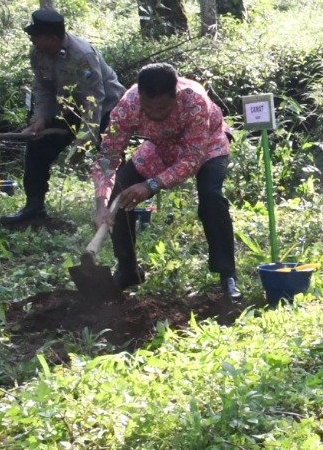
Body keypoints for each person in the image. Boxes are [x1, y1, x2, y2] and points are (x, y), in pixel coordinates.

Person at [93, 63, 239, 299]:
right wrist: (101, 203)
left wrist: (150, 185)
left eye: (162, 106)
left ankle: (227, 274)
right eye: (148, 105)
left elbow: (193, 158)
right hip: (160, 148)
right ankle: (128, 269)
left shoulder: (194, 100)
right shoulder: (127, 106)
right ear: (139, 95)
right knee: (121, 186)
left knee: (211, 195)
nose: (155, 112)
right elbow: (108, 157)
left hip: (207, 146)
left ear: (175, 94)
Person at [1, 8, 124, 224]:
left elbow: (93, 99)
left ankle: (120, 208)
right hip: (68, 108)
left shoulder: (82, 56)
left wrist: (84, 140)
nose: (32, 39)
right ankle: (34, 208)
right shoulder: (38, 53)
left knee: (109, 156)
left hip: (106, 108)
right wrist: (41, 118)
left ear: (53, 38)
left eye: (36, 36)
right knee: (37, 145)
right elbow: (42, 88)